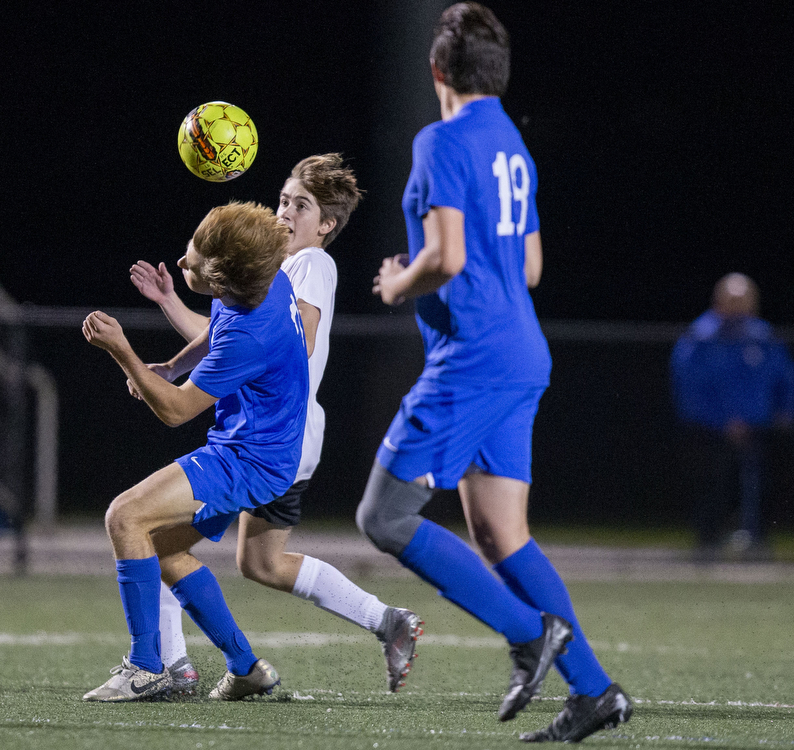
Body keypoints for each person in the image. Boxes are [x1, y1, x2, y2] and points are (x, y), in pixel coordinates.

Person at [355, 3, 632, 742]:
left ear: (437, 70)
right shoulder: (513, 141)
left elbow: (444, 258)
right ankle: (595, 691)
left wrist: (396, 283)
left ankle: (526, 634)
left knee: (382, 516)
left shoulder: (440, 140)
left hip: (472, 358)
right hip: (520, 351)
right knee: (501, 534)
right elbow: (532, 266)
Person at [128, 154, 424, 696]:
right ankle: (388, 621)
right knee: (260, 562)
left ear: (326, 225)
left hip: (273, 437)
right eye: (284, 199)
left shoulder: (310, 264)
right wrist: (174, 350)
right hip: (276, 432)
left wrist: (184, 357)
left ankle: (171, 665)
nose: (286, 211)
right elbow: (228, 340)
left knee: (158, 535)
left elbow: (288, 338)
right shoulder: (274, 269)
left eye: (302, 205)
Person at [80, 201, 308, 702]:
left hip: (249, 459)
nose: (183, 262)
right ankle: (246, 667)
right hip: (262, 451)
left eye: (194, 260)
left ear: (222, 280)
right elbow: (216, 330)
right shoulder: (267, 283)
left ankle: (145, 667)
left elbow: (177, 412)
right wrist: (171, 366)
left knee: (125, 517)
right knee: (160, 546)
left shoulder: (252, 333)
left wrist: (125, 353)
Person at [670, 273, 794, 561]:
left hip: (760, 427)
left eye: (744, 300)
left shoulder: (762, 336)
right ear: (719, 301)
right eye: (732, 300)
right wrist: (723, 420)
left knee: (762, 485)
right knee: (713, 484)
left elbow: (784, 379)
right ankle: (707, 544)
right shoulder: (701, 337)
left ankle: (757, 542)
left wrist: (785, 412)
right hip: (711, 429)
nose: (738, 307)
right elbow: (689, 385)